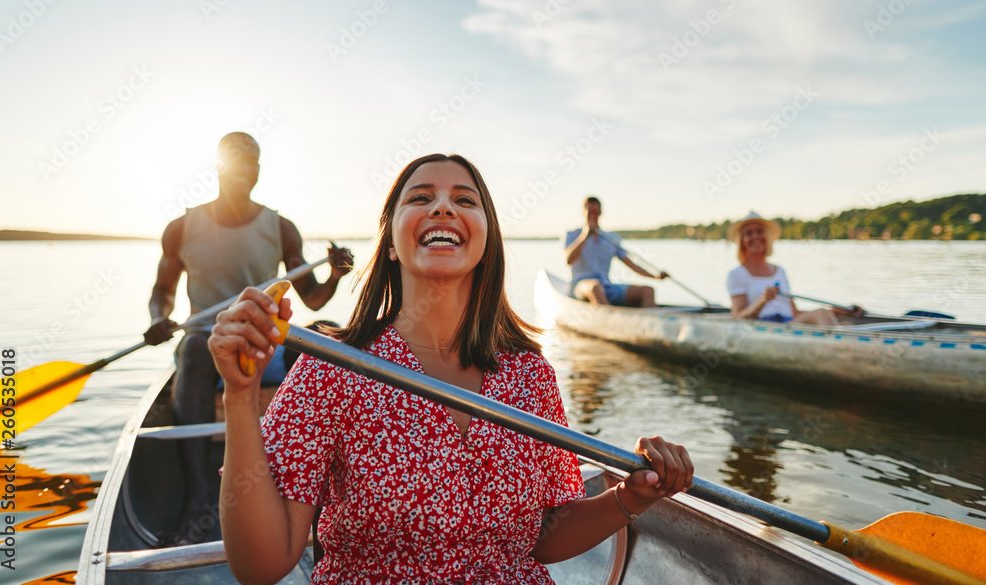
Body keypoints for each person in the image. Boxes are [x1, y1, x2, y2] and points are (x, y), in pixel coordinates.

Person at [209, 154, 694, 584]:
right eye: (421, 197)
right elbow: (261, 566)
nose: (443, 207)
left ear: (486, 240)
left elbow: (543, 538)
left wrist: (632, 497)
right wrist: (239, 393)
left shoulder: (530, 374)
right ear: (393, 244)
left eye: (465, 200)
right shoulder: (332, 367)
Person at [142, 131, 354, 546]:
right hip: (208, 342)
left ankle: (308, 486)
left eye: (251, 164)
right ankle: (200, 494)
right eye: (235, 162)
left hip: (263, 343)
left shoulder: (281, 227)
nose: (244, 170)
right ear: (218, 168)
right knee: (193, 350)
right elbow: (162, 291)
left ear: (258, 172)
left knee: (321, 334)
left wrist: (335, 275)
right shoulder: (182, 227)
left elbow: (311, 299)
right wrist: (159, 318)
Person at [726, 212, 860, 325]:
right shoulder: (737, 274)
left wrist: (835, 312)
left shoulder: (779, 271)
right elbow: (738, 317)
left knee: (844, 323)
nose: (755, 236)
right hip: (764, 326)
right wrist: (762, 301)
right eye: (749, 233)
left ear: (766, 236)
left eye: (759, 231)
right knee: (822, 315)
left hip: (789, 323)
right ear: (742, 240)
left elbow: (794, 313)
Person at [565, 196, 668, 307]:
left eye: (596, 212)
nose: (593, 216)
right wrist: (585, 236)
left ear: (600, 213)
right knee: (595, 287)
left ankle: (650, 322)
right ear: (583, 212)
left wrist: (655, 276)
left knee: (648, 291)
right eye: (589, 212)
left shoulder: (610, 238)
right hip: (581, 287)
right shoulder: (572, 235)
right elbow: (568, 259)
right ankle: (609, 320)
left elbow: (632, 265)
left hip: (606, 287)